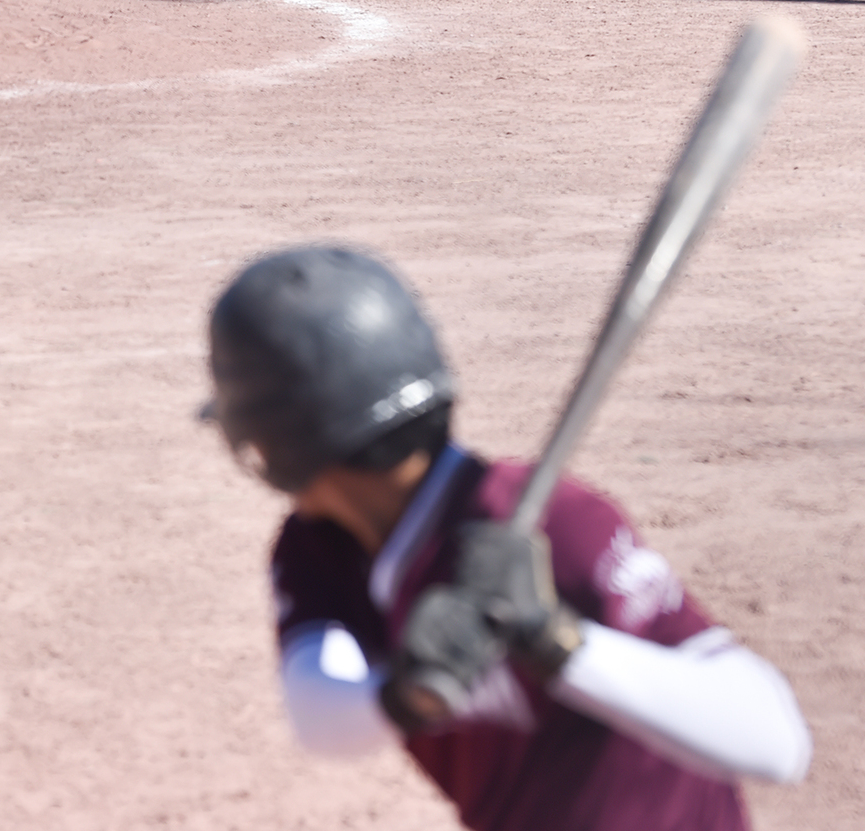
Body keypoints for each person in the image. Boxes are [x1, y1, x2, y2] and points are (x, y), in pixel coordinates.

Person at [202, 246, 812, 831]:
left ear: (274, 441)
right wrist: (405, 695)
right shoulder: (317, 548)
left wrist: (554, 641)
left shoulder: (557, 523)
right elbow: (319, 718)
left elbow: (774, 741)